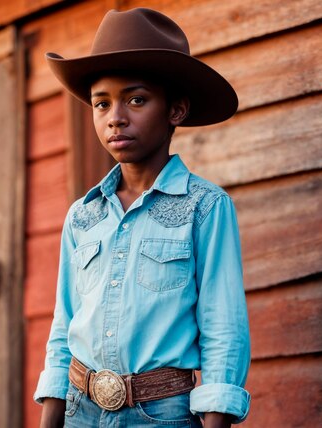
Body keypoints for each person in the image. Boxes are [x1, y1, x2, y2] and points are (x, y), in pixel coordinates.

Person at [34, 8, 251, 428]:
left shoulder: (204, 207)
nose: (115, 116)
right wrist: (51, 418)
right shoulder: (83, 215)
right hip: (82, 409)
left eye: (136, 99)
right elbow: (65, 322)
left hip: (162, 413)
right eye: (101, 103)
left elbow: (223, 327)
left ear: (175, 110)